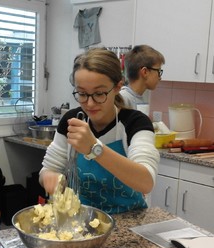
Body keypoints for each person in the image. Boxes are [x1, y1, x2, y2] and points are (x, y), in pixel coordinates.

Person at [39, 48, 160, 214]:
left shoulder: (135, 123)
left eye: (99, 93)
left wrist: (94, 148)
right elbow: (48, 169)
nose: (89, 103)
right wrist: (50, 177)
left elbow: (146, 182)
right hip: (81, 220)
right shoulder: (72, 121)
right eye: (82, 93)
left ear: (118, 87)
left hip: (129, 220)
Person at [119, 45, 165, 111]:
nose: (160, 78)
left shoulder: (138, 98)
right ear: (145, 72)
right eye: (158, 71)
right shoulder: (124, 99)